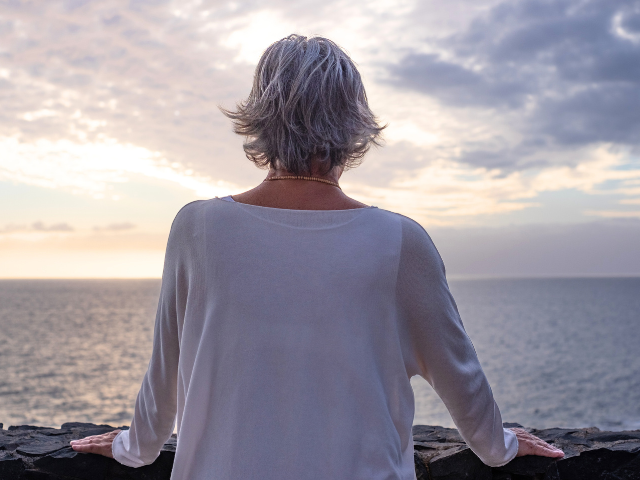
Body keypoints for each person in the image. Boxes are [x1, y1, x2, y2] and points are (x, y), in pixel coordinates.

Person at [70, 34, 564, 479]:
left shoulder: (197, 227)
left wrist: (134, 449)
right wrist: (498, 448)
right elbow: (462, 377)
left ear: (260, 117)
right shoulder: (400, 241)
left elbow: (165, 372)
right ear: (354, 124)